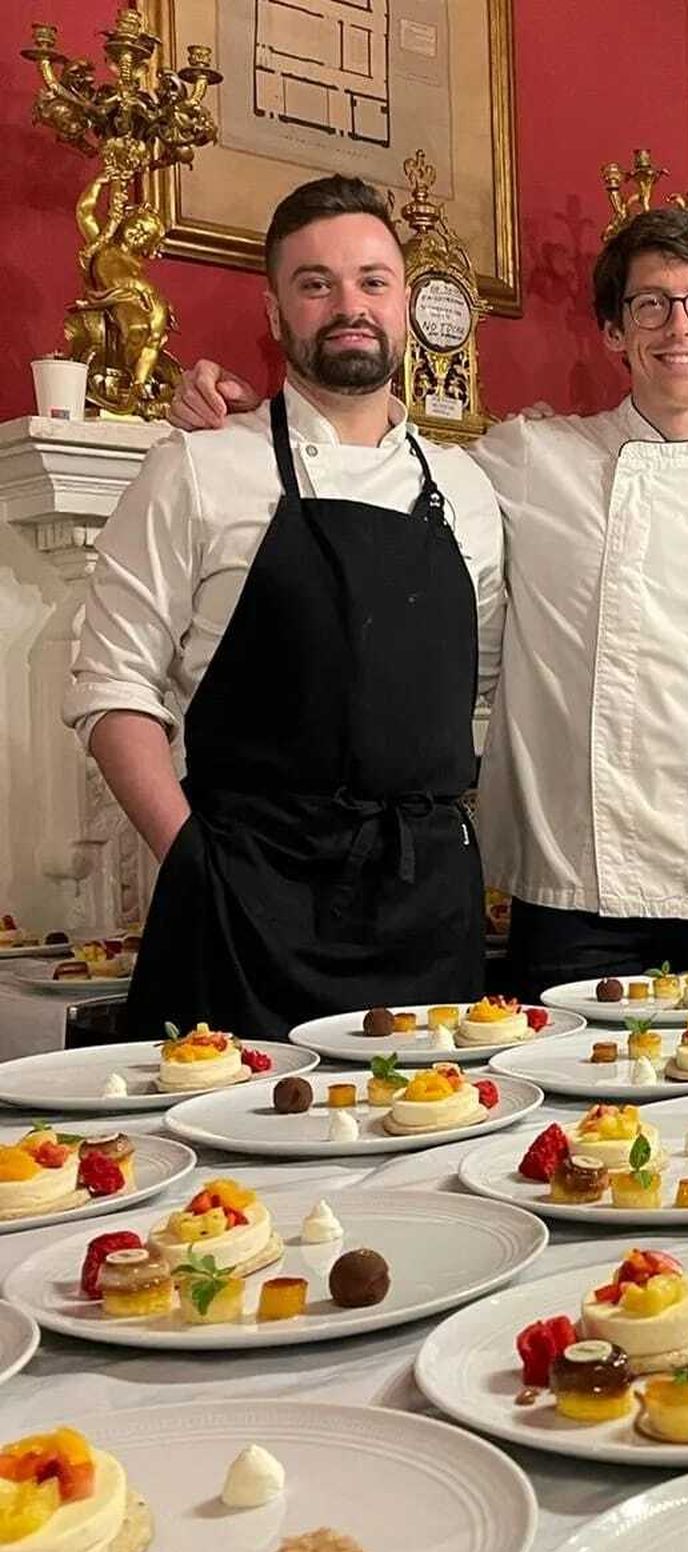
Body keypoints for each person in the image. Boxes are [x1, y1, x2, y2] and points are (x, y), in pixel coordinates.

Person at [171, 209, 688, 992]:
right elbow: (373, 457)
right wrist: (252, 420)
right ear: (615, 332)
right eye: (649, 304)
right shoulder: (531, 458)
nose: (677, 325)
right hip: (573, 884)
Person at [65, 175, 505, 1037]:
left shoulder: (469, 490)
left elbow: (478, 691)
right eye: (316, 283)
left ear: (405, 302)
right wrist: (193, 864)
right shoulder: (195, 467)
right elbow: (109, 687)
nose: (349, 305)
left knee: (431, 1157)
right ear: (276, 312)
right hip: (245, 904)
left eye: (373, 281)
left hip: (427, 916)